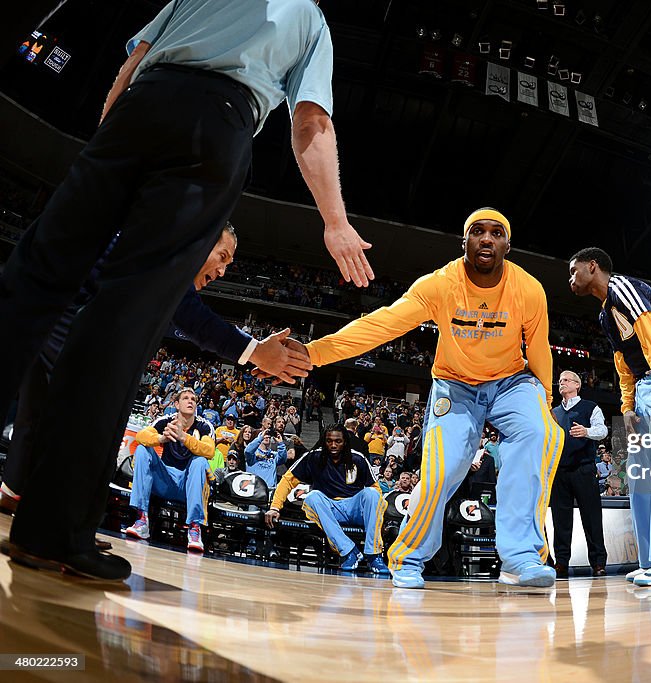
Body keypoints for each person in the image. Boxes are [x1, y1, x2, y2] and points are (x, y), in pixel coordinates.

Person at [0, 0, 373, 581]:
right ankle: (51, 533)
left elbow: (131, 67)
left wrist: (112, 148)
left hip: (137, 110)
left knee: (30, 279)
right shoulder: (309, 16)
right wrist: (334, 220)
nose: (220, 268)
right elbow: (310, 124)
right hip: (216, 123)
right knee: (122, 324)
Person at [278, 209, 563, 589]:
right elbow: (382, 324)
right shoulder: (441, 284)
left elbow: (539, 349)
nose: (487, 239)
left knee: (542, 434)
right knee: (443, 469)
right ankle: (408, 557)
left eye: (496, 233)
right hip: (456, 385)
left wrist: (543, 398)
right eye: (478, 232)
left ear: (507, 245)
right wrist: (314, 353)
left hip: (511, 380)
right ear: (465, 242)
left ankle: (520, 557)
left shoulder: (528, 289)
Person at [0, 225, 305, 517]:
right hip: (62, 314)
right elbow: (197, 321)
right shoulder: (171, 251)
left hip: (48, 309)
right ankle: (54, 526)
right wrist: (256, 352)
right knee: (80, 426)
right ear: (202, 242)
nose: (223, 271)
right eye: (222, 257)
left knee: (36, 415)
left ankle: (14, 493)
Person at [568, 247, 651, 587]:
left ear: (593, 266)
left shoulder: (624, 288)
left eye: (574, 270)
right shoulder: (603, 315)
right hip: (644, 387)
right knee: (642, 476)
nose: (571, 278)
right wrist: (627, 407)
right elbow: (622, 361)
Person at [266, 424, 388, 574]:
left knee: (372, 494)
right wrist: (274, 507)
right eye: (329, 441)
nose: (333, 445)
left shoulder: (358, 458)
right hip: (330, 510)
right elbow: (287, 481)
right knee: (312, 497)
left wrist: (377, 517)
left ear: (345, 442)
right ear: (324, 441)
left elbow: (376, 488)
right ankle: (349, 551)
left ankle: (374, 554)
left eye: (338, 441)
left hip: (355, 508)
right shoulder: (313, 456)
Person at [124, 388, 215, 552]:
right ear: (176, 404)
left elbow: (209, 451)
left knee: (200, 461)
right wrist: (161, 438)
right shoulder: (165, 420)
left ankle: (195, 528)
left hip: (187, 485)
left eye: (193, 399)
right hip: (164, 480)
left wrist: (183, 437)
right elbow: (141, 436)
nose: (190, 401)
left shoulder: (204, 425)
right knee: (142, 450)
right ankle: (142, 519)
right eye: (186, 398)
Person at [550, 371, 609, 578]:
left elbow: (603, 431)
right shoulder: (553, 411)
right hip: (559, 472)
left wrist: (586, 432)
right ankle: (561, 562)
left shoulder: (590, 407)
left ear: (577, 385)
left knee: (592, 518)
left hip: (583, 470)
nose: (561, 383)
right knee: (560, 520)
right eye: (559, 381)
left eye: (565, 380)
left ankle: (598, 562)